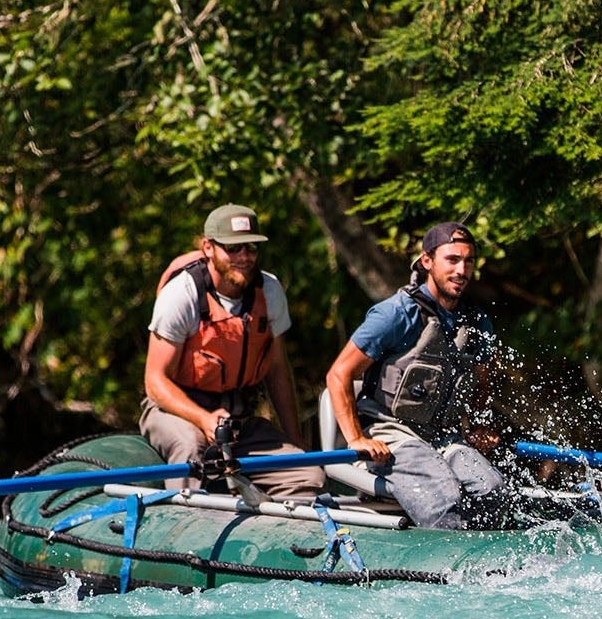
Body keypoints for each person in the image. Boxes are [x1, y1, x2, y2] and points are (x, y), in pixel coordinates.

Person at [324, 222, 512, 529]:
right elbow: (338, 374)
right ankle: (452, 565)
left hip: (443, 439)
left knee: (493, 490)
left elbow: (482, 382)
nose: (461, 270)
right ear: (427, 261)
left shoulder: (477, 323)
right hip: (390, 436)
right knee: (444, 496)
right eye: (452, 260)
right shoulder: (395, 314)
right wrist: (356, 438)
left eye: (468, 261)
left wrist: (476, 425)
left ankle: (490, 565)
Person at [140, 203, 328, 499]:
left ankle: (278, 536)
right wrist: (203, 419)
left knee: (309, 473)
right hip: (175, 411)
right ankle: (187, 527)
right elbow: (155, 382)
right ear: (208, 248)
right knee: (191, 451)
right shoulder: (182, 294)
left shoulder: (269, 291)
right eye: (233, 248)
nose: (244, 257)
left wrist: (295, 441)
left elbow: (278, 371)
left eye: (251, 248)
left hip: (239, 421)